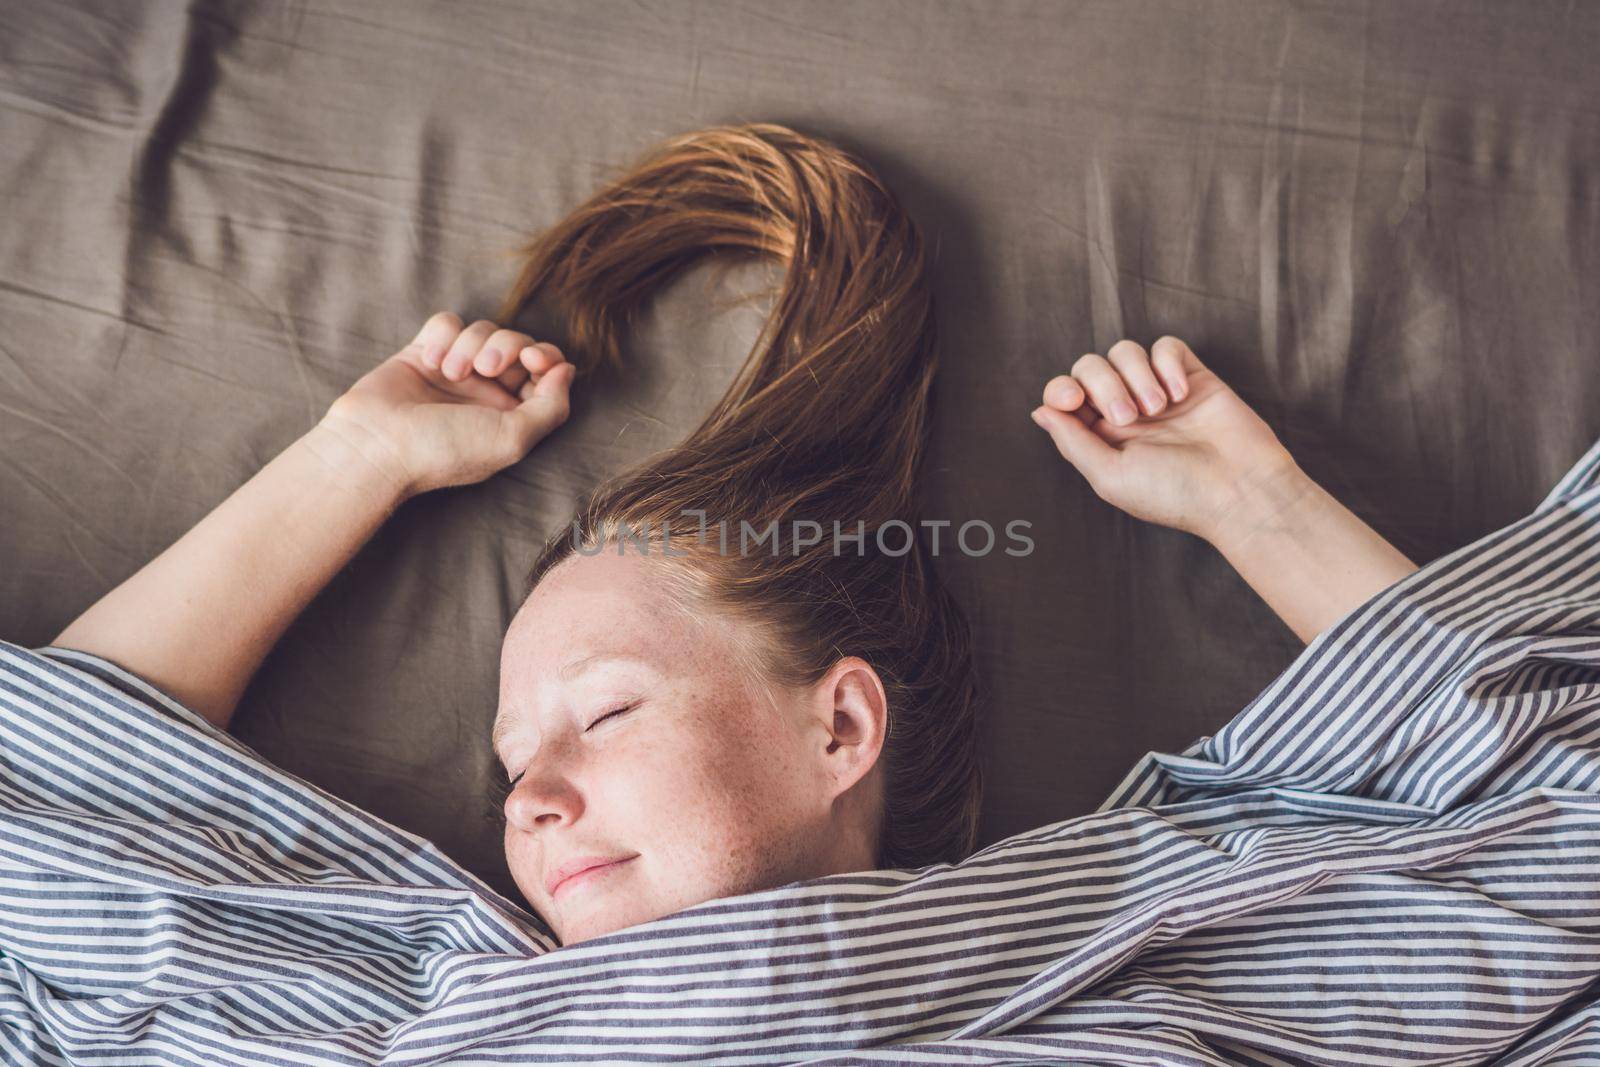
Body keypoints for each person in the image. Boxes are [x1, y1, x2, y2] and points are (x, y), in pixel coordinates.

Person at [49, 123, 1417, 951]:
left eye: (606, 712)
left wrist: (1260, 506)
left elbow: (1547, 815)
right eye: (514, 758)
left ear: (841, 730)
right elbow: (46, 817)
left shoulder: (1114, 947)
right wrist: (353, 458)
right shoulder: (435, 995)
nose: (523, 804)